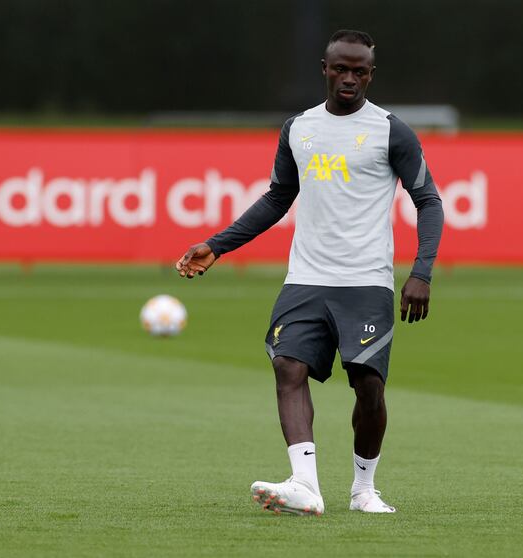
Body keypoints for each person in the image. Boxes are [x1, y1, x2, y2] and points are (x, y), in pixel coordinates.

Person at [175, 29, 443, 516]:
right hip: (306, 278)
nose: (349, 79)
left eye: (359, 71)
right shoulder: (298, 128)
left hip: (366, 281)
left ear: (370, 74)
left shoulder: (390, 130)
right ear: (324, 68)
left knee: (368, 386)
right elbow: (278, 197)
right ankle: (304, 484)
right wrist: (218, 245)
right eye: (340, 69)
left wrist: (421, 272)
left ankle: (364, 489)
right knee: (287, 367)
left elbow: (428, 200)